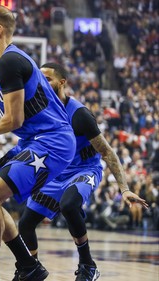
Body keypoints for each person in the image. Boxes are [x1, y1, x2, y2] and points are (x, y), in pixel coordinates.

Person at [0, 6, 76, 281]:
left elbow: (14, 119)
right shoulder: (1, 64)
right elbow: (11, 120)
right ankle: (28, 265)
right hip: (35, 140)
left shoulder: (10, 62)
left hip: (52, 142)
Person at [14, 62, 148, 281]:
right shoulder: (40, 111)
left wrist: (124, 189)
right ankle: (31, 269)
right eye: (40, 79)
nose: (42, 83)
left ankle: (88, 265)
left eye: (48, 79)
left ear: (62, 82)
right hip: (56, 172)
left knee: (69, 204)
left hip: (84, 170)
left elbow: (107, 151)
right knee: (26, 223)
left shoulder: (80, 114)